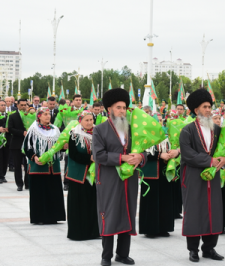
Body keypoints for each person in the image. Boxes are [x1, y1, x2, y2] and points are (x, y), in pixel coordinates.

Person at [93, 88, 147, 266]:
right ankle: (106, 256)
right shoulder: (100, 130)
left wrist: (140, 157)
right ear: (109, 109)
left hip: (129, 180)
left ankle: (122, 254)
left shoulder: (132, 129)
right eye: (118, 108)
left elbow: (144, 151)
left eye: (124, 107)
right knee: (109, 215)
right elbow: (99, 155)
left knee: (128, 213)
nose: (122, 111)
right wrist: (121, 158)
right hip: (109, 180)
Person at [179, 89, 225, 262]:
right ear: (196, 110)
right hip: (193, 177)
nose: (208, 110)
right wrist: (210, 161)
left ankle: (209, 248)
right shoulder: (187, 130)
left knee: (213, 210)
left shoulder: (217, 129)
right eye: (205, 107)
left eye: (209, 107)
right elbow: (187, 154)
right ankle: (193, 250)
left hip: (213, 177)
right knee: (194, 211)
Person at [24, 107, 66, 224]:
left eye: (48, 114)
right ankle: (39, 217)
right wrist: (34, 157)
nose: (48, 116)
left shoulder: (55, 129)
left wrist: (64, 147)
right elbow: (27, 147)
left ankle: (54, 216)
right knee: (39, 192)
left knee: (53, 191)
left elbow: (58, 145)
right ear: (39, 116)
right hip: (38, 166)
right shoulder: (33, 129)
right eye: (45, 114)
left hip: (53, 167)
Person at [65, 110, 100, 240]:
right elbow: (73, 154)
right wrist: (89, 158)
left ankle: (94, 231)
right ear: (80, 121)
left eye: (91, 120)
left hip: (94, 174)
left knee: (93, 202)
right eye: (87, 120)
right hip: (79, 174)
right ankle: (78, 233)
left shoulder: (98, 133)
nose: (90, 122)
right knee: (79, 203)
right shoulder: (74, 134)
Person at [139, 139, 176, 238]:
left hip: (165, 170)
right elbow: (140, 151)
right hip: (151, 170)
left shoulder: (168, 134)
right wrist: (159, 155)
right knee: (151, 200)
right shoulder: (144, 134)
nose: (160, 122)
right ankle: (150, 229)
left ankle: (164, 227)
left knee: (165, 199)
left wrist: (173, 153)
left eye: (160, 121)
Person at [8, 99, 30, 191]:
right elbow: (10, 129)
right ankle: (19, 184)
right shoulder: (13, 116)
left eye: (25, 105)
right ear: (17, 105)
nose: (23, 107)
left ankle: (27, 183)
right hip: (16, 144)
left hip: (28, 144)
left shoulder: (30, 116)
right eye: (22, 105)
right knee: (17, 165)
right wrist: (22, 132)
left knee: (28, 165)